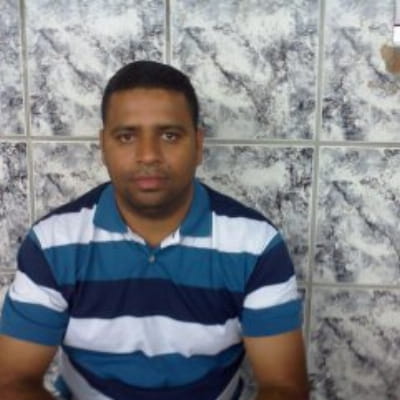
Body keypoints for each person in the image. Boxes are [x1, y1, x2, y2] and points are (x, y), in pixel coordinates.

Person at [0, 61, 309, 400]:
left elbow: (284, 387)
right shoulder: (52, 244)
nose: (148, 155)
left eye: (170, 135)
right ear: (103, 146)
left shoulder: (255, 245)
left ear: (198, 145)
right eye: (126, 136)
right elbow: (12, 381)